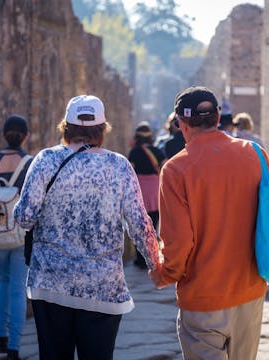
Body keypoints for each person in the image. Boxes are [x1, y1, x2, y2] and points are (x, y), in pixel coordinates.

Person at [14, 95, 160, 360]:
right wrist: (156, 263)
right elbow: (139, 223)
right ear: (102, 128)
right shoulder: (118, 166)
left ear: (66, 127)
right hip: (102, 285)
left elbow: (24, 217)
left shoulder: (45, 160)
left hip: (51, 281)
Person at [149, 86, 269, 360]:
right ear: (218, 117)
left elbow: (179, 240)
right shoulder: (256, 154)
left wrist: (165, 274)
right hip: (249, 290)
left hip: (203, 296)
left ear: (181, 123)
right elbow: (267, 216)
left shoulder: (175, 170)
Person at [0, 115, 33, 360]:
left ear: (4, 134)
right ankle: (14, 348)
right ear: (26, 136)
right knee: (18, 289)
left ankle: (0, 337)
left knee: (3, 281)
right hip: (21, 234)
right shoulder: (30, 164)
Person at [128, 122, 166, 269]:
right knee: (153, 223)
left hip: (140, 188)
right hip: (155, 188)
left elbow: (130, 171)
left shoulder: (134, 152)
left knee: (140, 223)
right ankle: (153, 255)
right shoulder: (156, 150)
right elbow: (165, 165)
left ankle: (140, 257)